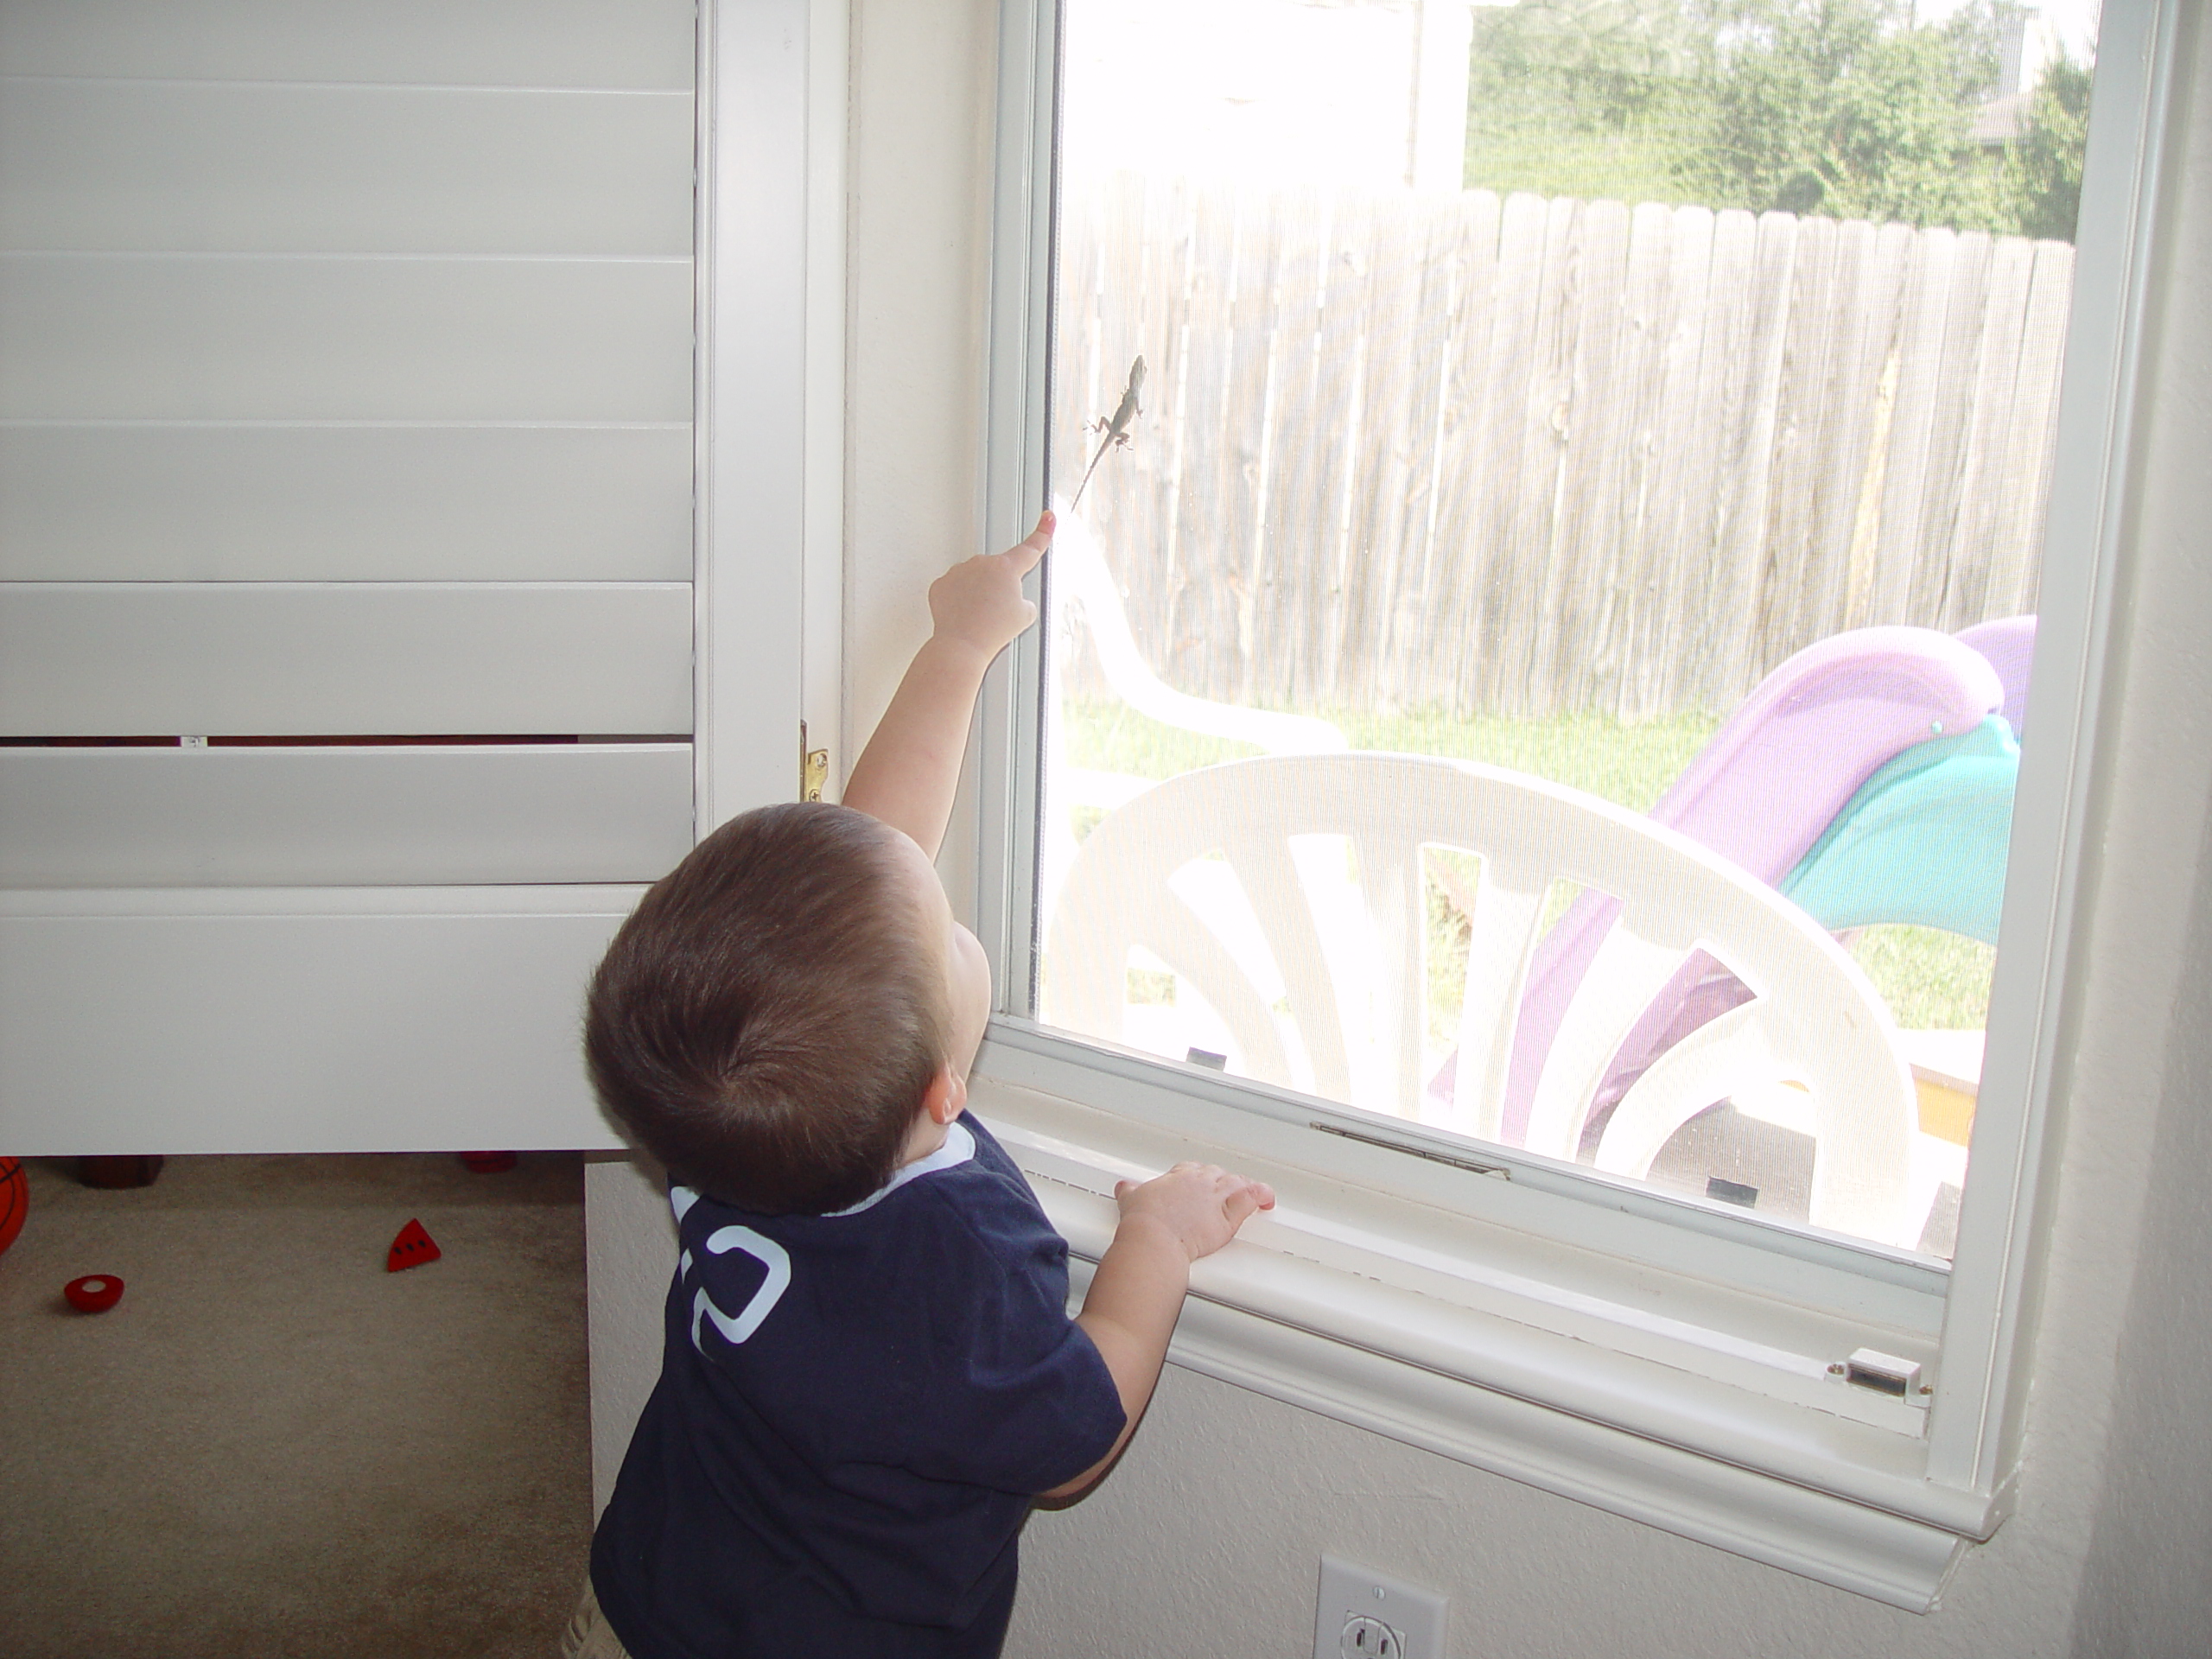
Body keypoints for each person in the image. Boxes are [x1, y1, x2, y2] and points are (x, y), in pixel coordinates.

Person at [568, 511, 1276, 1659]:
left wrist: (958, 644)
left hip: (646, 1610)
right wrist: (1155, 1240)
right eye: (947, 930)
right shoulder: (951, 1266)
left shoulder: (724, 1121)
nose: (951, 918)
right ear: (946, 1094)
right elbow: (1073, 1445)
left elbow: (872, 851)